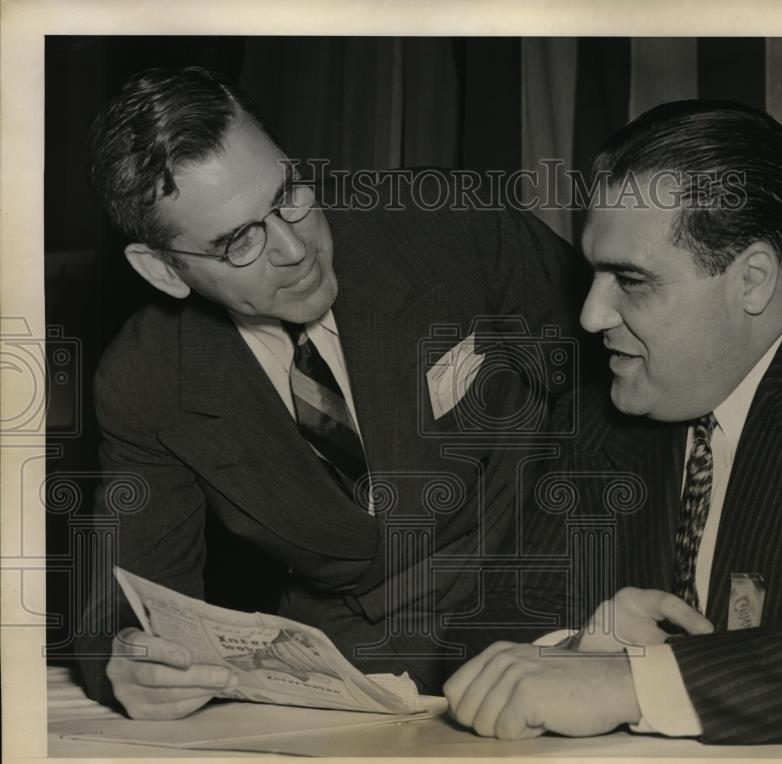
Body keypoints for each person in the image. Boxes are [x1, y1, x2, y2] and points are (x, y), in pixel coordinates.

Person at [443, 99, 782, 744]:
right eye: (593, 274)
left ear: (751, 279)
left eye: (630, 280)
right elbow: (477, 643)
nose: (589, 315)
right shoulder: (601, 411)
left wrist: (630, 684)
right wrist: (580, 646)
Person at [76, 66, 587, 719]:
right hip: (363, 670)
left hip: (563, 597)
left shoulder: (451, 228)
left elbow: (617, 384)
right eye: (238, 241)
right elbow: (127, 596)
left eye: (288, 193)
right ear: (163, 270)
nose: (295, 248)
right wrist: (132, 660)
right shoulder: (145, 379)